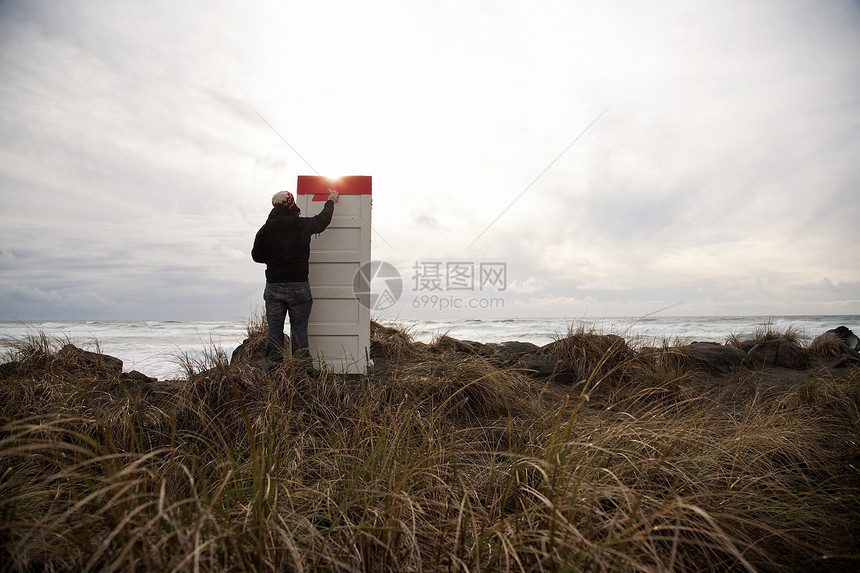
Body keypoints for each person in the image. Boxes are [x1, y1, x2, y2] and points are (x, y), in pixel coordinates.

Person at [252, 188, 339, 367]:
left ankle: (274, 370)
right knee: (299, 330)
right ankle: (301, 371)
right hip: (299, 288)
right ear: (291, 204)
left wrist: (275, 258)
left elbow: (257, 256)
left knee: (274, 330)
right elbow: (322, 221)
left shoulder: (265, 230)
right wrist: (330, 201)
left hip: (274, 287)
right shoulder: (301, 225)